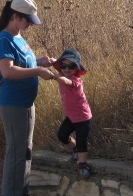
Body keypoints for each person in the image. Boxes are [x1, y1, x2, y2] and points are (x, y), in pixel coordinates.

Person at [0, 0, 58, 196]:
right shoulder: (4, 39)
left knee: (25, 151)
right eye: (27, 20)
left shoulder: (18, 36)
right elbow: (8, 71)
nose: (29, 25)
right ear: (16, 16)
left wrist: (39, 61)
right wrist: (37, 71)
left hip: (26, 103)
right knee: (16, 154)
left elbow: (22, 62)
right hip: (13, 104)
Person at [52, 48, 94, 179]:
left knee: (82, 141)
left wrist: (53, 75)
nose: (66, 69)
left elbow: (66, 81)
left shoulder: (75, 81)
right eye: (63, 66)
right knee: (62, 135)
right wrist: (49, 61)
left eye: (71, 66)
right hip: (71, 116)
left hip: (82, 117)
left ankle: (83, 164)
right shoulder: (63, 73)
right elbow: (55, 63)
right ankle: (75, 150)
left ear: (76, 68)